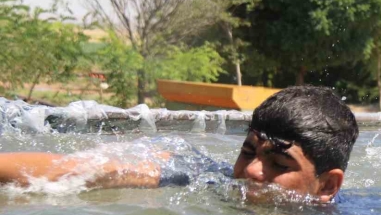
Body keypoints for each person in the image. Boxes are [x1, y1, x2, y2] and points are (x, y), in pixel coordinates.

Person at [0, 86, 359, 204]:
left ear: (327, 186)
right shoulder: (207, 180)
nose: (250, 171)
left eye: (279, 165)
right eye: (248, 152)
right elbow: (79, 169)